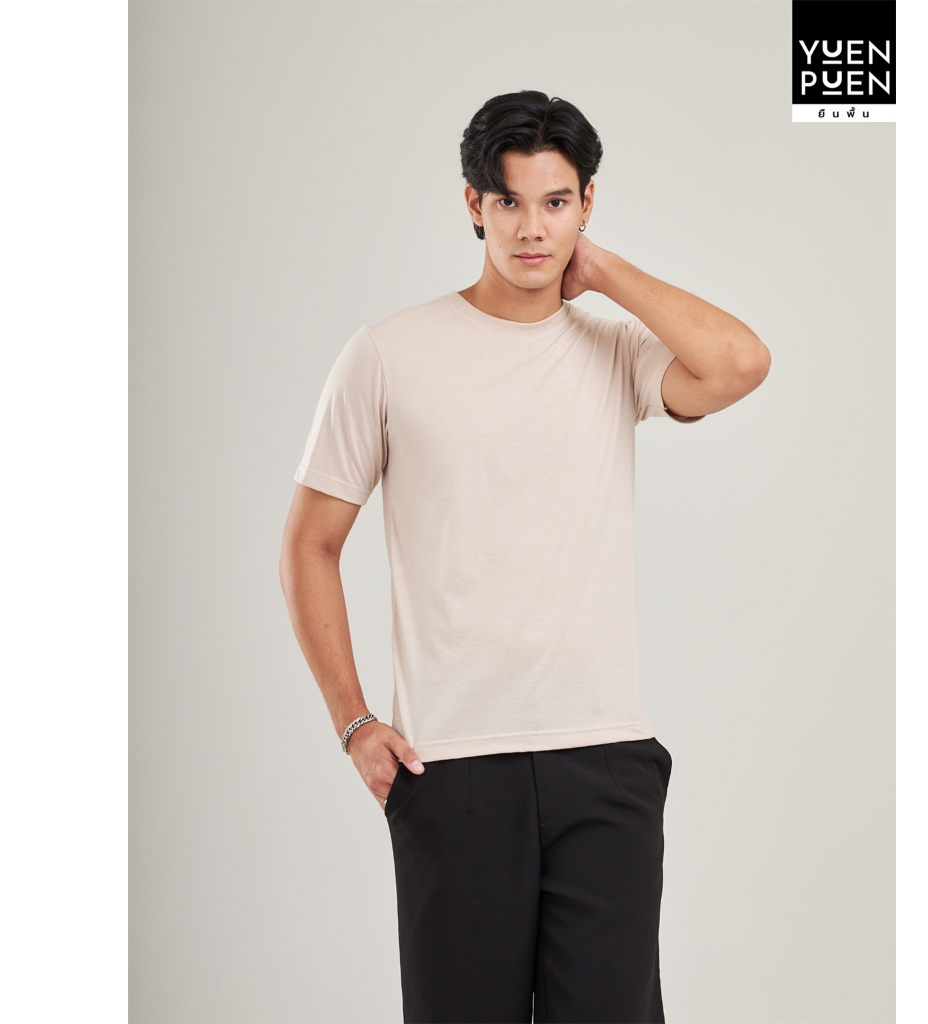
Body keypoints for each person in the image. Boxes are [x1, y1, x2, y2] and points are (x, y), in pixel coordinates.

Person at [279, 90, 770, 1024]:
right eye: (509, 201)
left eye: (555, 202)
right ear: (474, 203)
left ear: (587, 204)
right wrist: (354, 722)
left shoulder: (615, 351)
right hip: (453, 765)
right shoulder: (387, 354)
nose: (532, 228)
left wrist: (607, 271)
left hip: (604, 758)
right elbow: (310, 542)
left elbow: (740, 363)